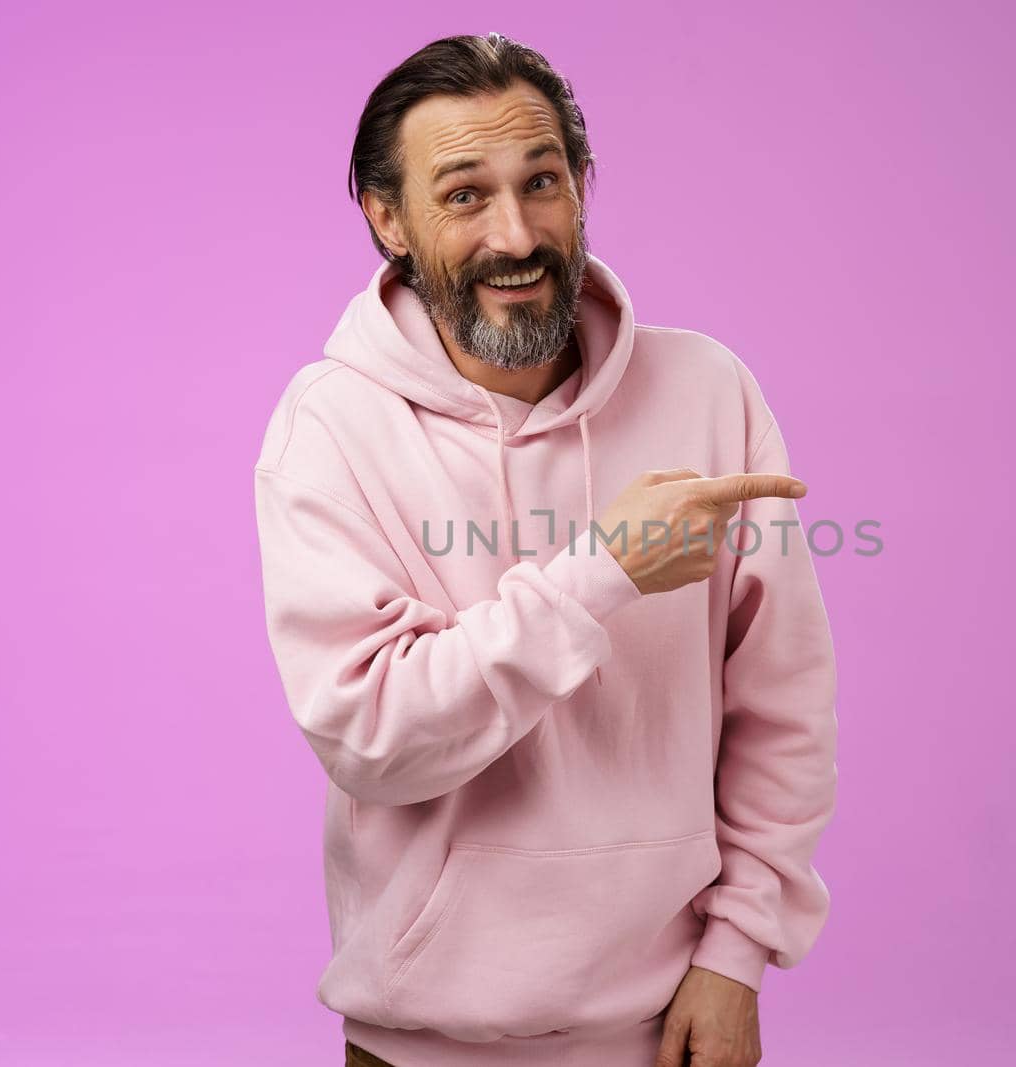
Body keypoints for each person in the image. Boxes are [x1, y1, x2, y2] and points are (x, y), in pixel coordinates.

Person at [252, 31, 838, 1067]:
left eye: (543, 181)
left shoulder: (708, 393)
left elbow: (782, 706)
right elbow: (372, 734)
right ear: (387, 220)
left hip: (670, 1026)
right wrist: (601, 571)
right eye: (464, 194)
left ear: (583, 188)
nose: (515, 234)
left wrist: (738, 950)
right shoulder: (331, 424)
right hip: (421, 1037)